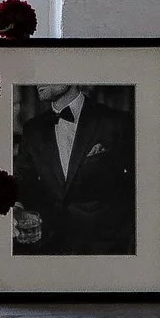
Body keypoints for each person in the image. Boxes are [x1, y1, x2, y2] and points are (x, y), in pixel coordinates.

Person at [10, 80, 138, 257]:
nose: (38, 81)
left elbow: (138, 185)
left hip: (106, 247)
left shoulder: (116, 121)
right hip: (48, 245)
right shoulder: (33, 129)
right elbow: (23, 180)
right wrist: (17, 208)